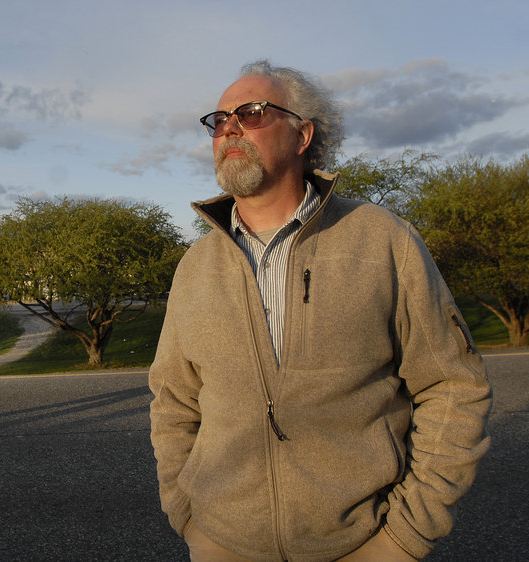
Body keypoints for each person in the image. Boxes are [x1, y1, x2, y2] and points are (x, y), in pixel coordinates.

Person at [148, 60, 492, 561]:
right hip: (222, 544)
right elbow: (174, 401)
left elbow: (453, 386)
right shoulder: (195, 266)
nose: (230, 128)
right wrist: (187, 514)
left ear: (303, 134)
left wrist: (407, 535)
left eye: (252, 112)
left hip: (363, 544)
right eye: (219, 120)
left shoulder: (382, 239)